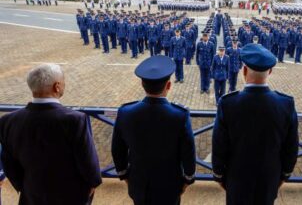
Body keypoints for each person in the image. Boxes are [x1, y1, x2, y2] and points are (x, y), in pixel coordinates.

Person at [0, 64, 102, 205]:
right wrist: (93, 182)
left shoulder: (7, 121)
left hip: (32, 193)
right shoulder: (74, 119)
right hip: (71, 195)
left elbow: (8, 163)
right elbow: (87, 160)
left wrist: (25, 187)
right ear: (57, 86)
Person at [212, 43, 299, 205]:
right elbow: (291, 147)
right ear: (270, 71)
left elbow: (219, 145)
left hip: (237, 177)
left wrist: (219, 175)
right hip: (269, 178)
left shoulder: (228, 103)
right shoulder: (285, 104)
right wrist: (284, 175)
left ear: (244, 71)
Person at [112, 56, 196, 205]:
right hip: (170, 186)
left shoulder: (126, 112)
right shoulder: (180, 115)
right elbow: (188, 152)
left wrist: (124, 176)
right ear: (168, 85)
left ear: (142, 84)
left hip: (138, 184)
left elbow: (117, 150)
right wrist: (187, 180)